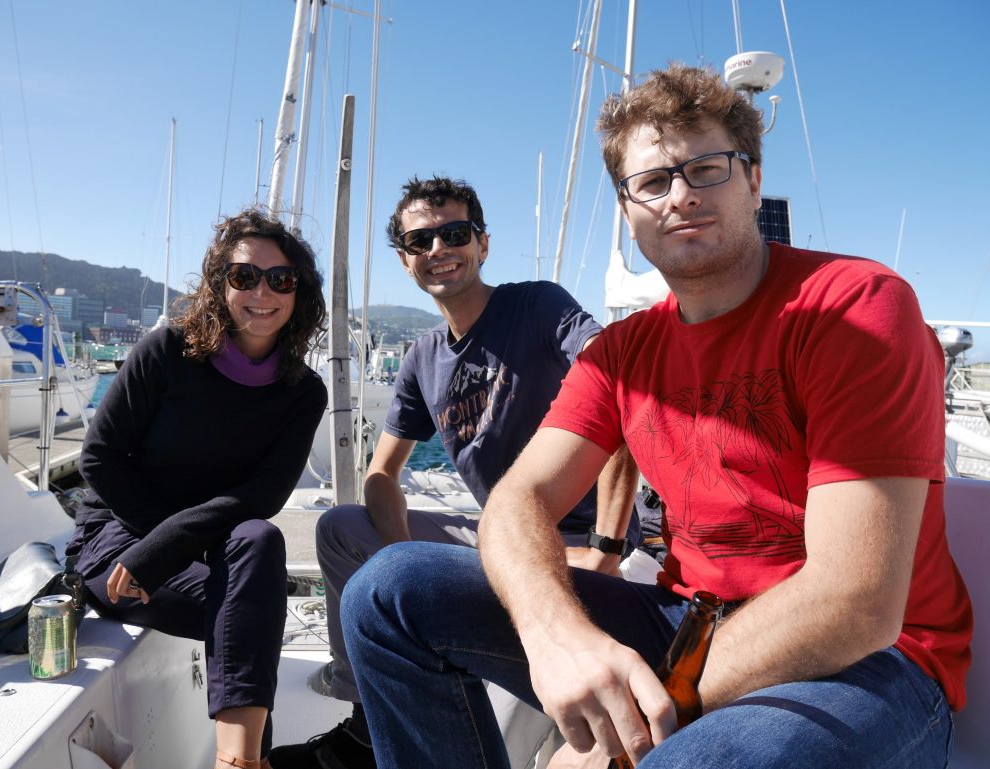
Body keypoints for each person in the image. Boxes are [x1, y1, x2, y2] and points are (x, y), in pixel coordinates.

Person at [338, 64, 974, 769]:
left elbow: (854, 600)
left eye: (706, 168)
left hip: (872, 664)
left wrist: (630, 728)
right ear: (626, 207)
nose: (681, 196)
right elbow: (518, 500)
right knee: (387, 593)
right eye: (652, 182)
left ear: (753, 178)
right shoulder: (622, 353)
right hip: (687, 624)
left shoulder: (853, 307)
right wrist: (557, 638)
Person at [268, 176, 641, 769]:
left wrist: (606, 548)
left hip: (576, 537)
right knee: (340, 527)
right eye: (422, 241)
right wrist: (402, 560)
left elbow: (619, 384)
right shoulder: (422, 357)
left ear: (483, 245)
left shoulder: (537, 306)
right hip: (502, 536)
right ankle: (370, 710)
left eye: (455, 233)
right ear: (405, 260)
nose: (439, 249)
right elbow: (382, 476)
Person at [66, 209, 328, 769]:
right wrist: (156, 545)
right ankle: (249, 760)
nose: (262, 291)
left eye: (281, 279)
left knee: (259, 538)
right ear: (219, 283)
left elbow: (264, 494)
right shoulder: (167, 353)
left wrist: (174, 543)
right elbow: (100, 458)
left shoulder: (303, 391)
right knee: (248, 610)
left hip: (201, 548)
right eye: (244, 276)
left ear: (300, 292)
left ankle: (235, 762)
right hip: (120, 543)